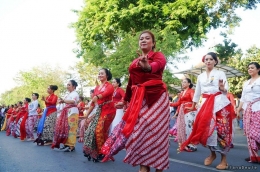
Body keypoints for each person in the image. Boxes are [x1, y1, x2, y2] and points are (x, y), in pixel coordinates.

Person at [101, 30, 170, 172]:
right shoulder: (134, 62)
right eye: (141, 39)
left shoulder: (158, 56)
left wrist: (148, 67)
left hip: (157, 99)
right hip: (139, 100)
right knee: (138, 132)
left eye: (147, 38)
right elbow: (131, 83)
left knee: (157, 133)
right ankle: (143, 167)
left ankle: (159, 167)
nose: (143, 40)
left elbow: (157, 65)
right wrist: (125, 100)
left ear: (153, 43)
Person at [180, 52, 235, 170]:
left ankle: (224, 160)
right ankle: (212, 154)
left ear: (215, 61)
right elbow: (197, 93)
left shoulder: (220, 73)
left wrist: (222, 88)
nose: (208, 61)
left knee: (222, 132)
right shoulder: (200, 76)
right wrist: (193, 106)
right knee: (206, 130)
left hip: (220, 104)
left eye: (211, 59)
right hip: (205, 105)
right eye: (206, 59)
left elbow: (226, 90)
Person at [83, 68, 116, 162]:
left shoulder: (109, 86)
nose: (100, 75)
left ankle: (103, 153)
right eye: (99, 73)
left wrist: (96, 97)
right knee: (92, 130)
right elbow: (93, 104)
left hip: (109, 111)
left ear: (107, 75)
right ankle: (100, 152)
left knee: (99, 130)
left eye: (102, 73)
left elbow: (104, 95)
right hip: (100, 111)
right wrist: (87, 115)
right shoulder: (97, 88)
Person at [237, 62, 260, 163]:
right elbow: (243, 97)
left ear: (258, 69)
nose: (250, 69)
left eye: (252, 68)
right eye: (249, 68)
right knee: (249, 133)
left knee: (257, 133)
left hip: (258, 109)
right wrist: (238, 109)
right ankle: (253, 156)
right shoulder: (246, 83)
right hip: (247, 110)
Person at [169, 78, 197, 152]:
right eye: (182, 82)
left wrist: (192, 107)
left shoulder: (191, 91)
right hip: (183, 111)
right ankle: (186, 143)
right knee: (184, 128)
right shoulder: (182, 93)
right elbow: (178, 103)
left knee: (190, 128)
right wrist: (169, 104)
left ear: (189, 84)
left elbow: (194, 100)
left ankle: (192, 145)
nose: (183, 83)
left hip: (190, 111)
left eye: (185, 82)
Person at [51, 80, 79, 152]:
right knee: (66, 129)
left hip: (72, 112)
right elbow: (64, 102)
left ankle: (71, 146)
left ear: (74, 86)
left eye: (69, 85)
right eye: (67, 85)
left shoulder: (75, 94)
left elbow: (73, 101)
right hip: (66, 112)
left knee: (72, 129)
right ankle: (66, 144)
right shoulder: (68, 94)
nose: (67, 86)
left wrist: (63, 101)